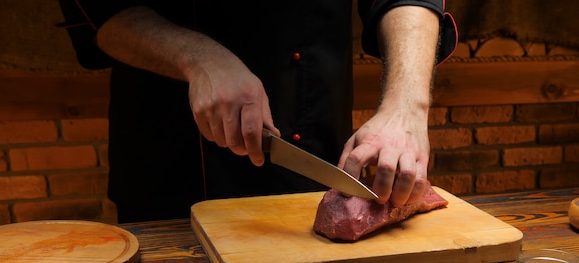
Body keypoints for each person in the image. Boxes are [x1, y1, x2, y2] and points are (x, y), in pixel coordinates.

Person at [57, 1, 457, 223]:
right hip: (172, 170)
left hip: (317, 145)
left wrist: (407, 105)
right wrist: (198, 60)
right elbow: (100, 8)